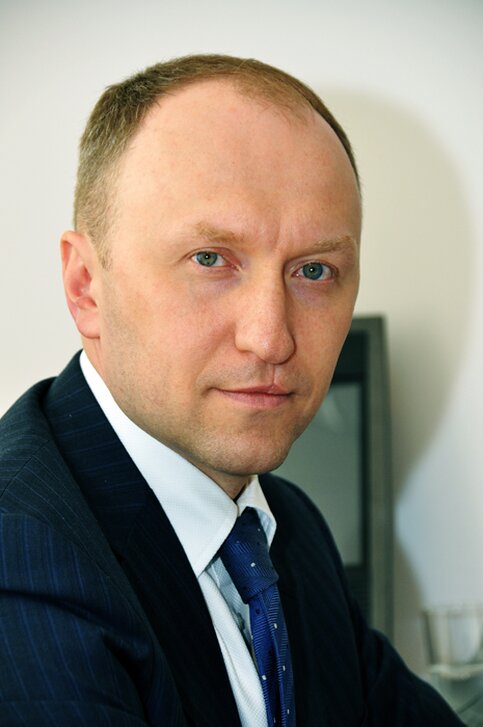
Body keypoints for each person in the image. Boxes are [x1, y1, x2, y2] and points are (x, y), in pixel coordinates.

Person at [0, 54, 462, 726]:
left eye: (313, 270)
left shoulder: (286, 531)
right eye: (211, 259)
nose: (270, 338)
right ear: (86, 287)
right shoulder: (20, 561)